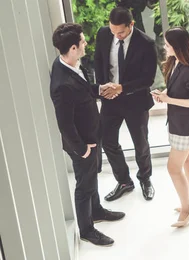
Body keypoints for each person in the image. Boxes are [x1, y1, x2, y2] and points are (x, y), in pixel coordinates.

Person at [50, 23, 125, 246]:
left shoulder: (70, 64)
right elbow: (64, 123)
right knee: (84, 185)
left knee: (92, 177)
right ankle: (86, 229)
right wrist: (82, 149)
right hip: (82, 144)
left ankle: (97, 211)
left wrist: (100, 90)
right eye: (82, 42)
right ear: (73, 48)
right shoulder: (61, 84)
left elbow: (83, 90)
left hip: (91, 134)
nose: (85, 44)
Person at [94, 7, 158, 201]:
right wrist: (103, 88)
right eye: (113, 31)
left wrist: (121, 88)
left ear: (131, 24)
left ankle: (145, 178)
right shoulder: (104, 34)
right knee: (107, 141)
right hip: (110, 101)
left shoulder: (146, 44)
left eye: (120, 32)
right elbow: (98, 61)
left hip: (136, 101)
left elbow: (148, 79)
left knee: (140, 143)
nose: (116, 36)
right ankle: (124, 181)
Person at [151, 27, 189, 227]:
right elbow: (177, 89)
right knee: (188, 158)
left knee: (173, 168)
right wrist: (165, 95)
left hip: (185, 125)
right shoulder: (176, 62)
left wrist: (169, 99)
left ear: (176, 46)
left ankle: (187, 210)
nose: (164, 47)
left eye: (167, 45)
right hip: (186, 122)